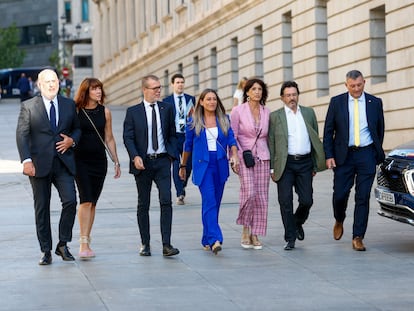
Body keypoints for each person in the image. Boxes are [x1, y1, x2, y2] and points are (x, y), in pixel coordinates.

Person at [16, 69, 81, 265]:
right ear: (39, 85)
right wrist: (26, 160)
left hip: (64, 163)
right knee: (42, 208)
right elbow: (22, 135)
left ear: (59, 83)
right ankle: (46, 250)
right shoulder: (28, 106)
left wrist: (72, 141)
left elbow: (77, 128)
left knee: (70, 201)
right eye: (47, 82)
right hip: (38, 165)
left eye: (54, 81)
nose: (52, 85)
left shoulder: (69, 105)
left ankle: (63, 243)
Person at [323, 70, 385, 251]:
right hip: (344, 155)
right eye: (352, 86)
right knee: (340, 194)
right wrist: (329, 155)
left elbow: (380, 129)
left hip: (366, 154)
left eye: (359, 85)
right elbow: (328, 131)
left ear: (364, 82)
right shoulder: (337, 102)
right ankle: (339, 218)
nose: (356, 89)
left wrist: (374, 152)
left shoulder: (375, 102)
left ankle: (358, 236)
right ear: (346, 85)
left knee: (362, 196)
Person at [123, 74, 179, 257]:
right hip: (143, 163)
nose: (158, 91)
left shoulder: (167, 108)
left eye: (159, 88)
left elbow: (172, 133)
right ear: (144, 90)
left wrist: (171, 154)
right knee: (143, 203)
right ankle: (145, 243)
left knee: (166, 201)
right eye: (154, 88)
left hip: (163, 161)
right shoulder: (133, 112)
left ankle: (167, 244)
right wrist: (135, 156)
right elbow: (128, 137)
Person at [179, 89, 239, 255]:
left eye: (214, 99)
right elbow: (188, 146)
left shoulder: (224, 119)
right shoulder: (193, 121)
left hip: (220, 164)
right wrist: (183, 166)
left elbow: (232, 140)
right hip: (203, 166)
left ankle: (206, 237)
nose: (212, 102)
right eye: (208, 99)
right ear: (201, 102)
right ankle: (215, 239)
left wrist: (234, 154)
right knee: (210, 200)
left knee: (214, 203)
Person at [268, 81, 325, 251]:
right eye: (288, 95)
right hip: (285, 164)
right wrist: (272, 167)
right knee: (285, 201)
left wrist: (315, 163)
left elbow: (314, 137)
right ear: (282, 98)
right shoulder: (275, 116)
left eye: (294, 94)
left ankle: (297, 222)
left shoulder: (308, 113)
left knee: (307, 200)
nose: (292, 98)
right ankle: (290, 237)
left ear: (298, 95)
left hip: (305, 163)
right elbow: (271, 142)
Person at [74, 78, 121, 259]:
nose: (98, 92)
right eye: (94, 89)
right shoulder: (76, 111)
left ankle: (87, 238)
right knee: (85, 199)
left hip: (99, 162)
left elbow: (109, 138)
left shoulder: (105, 112)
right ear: (86, 91)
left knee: (93, 202)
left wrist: (116, 161)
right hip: (80, 161)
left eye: (99, 89)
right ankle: (83, 243)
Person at [230, 78, 270, 250]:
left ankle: (255, 233)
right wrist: (234, 157)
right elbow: (233, 135)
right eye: (253, 89)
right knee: (249, 193)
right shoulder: (237, 111)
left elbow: (269, 137)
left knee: (261, 196)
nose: (257, 92)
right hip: (244, 156)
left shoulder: (267, 111)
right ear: (247, 92)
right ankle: (245, 228)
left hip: (263, 157)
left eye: (260, 89)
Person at [163, 73, 195, 205]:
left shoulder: (190, 99)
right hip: (174, 136)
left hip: (187, 135)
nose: (180, 84)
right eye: (177, 82)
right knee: (176, 164)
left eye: (182, 82)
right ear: (172, 85)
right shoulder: (166, 101)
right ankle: (179, 192)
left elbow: (194, 117)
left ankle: (183, 184)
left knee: (188, 165)